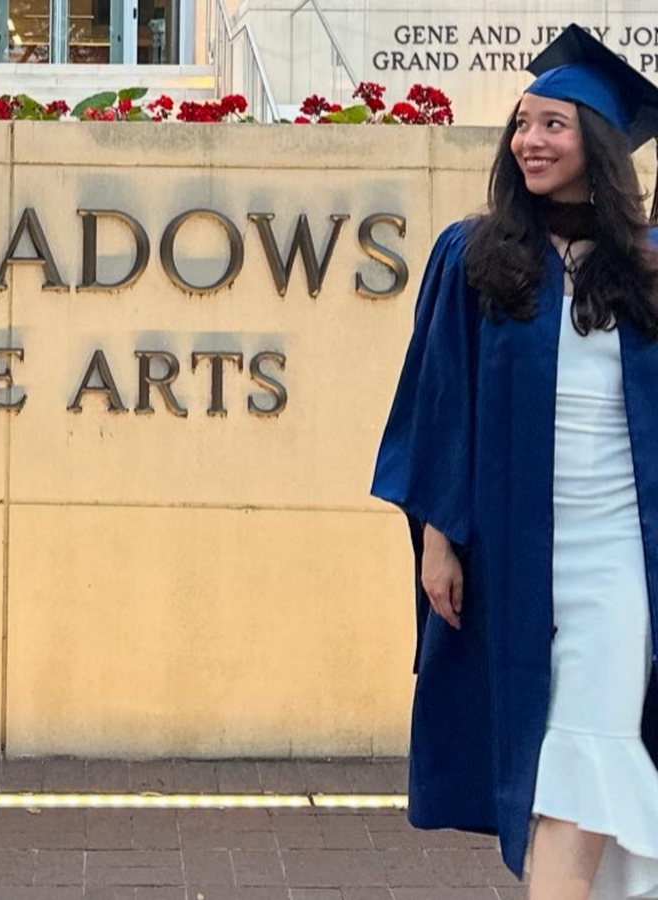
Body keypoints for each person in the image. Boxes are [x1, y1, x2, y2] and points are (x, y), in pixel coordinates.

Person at [372, 24, 658, 900]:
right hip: (512, 551)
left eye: (552, 125)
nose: (529, 141)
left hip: (620, 554)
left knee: (589, 742)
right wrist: (438, 538)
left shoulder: (647, 267)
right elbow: (438, 404)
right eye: (522, 124)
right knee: (549, 761)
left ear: (597, 145)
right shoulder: (474, 256)